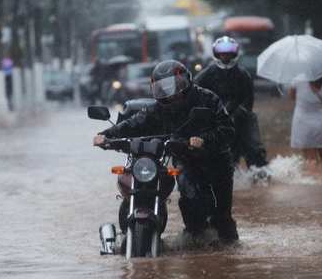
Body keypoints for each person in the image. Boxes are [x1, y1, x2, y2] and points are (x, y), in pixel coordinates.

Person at [92, 60, 239, 243]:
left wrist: (204, 140)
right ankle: (194, 238)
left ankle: (228, 252)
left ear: (185, 81)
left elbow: (228, 130)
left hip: (216, 161)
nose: (168, 94)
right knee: (190, 198)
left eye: (172, 86)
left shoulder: (208, 99)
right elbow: (134, 123)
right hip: (186, 159)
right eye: (161, 89)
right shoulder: (157, 108)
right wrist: (106, 135)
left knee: (222, 217)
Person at [195, 36, 269, 169]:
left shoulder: (243, 74)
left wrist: (237, 112)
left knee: (254, 148)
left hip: (240, 116)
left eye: (228, 53)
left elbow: (249, 100)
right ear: (217, 54)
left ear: (234, 54)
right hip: (213, 118)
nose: (225, 56)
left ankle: (260, 172)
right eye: (222, 53)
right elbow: (195, 95)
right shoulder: (205, 75)